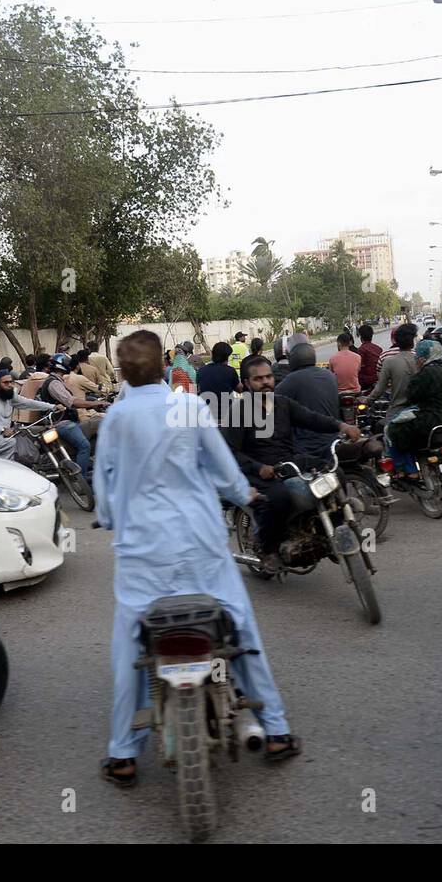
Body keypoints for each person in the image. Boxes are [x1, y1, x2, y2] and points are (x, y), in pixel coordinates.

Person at [95, 330, 299, 786]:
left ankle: (123, 753)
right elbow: (224, 471)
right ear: (166, 367)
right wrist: (244, 493)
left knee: (129, 641)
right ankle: (277, 729)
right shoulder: (188, 407)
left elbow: (104, 490)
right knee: (239, 624)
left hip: (141, 554)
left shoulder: (115, 418)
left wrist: (108, 517)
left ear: (123, 371)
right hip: (200, 546)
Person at [226, 357, 360, 570]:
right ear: (247, 383)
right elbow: (231, 451)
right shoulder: (239, 410)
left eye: (269, 376)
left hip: (289, 462)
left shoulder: (283, 404)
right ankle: (269, 548)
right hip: (257, 470)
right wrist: (259, 468)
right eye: (258, 379)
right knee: (280, 498)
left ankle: (334, 532)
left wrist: (341, 426)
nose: (266, 382)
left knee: (335, 473)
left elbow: (312, 418)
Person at [387, 338, 442, 475]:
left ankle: (408, 470)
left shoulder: (426, 374)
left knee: (393, 429)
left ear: (422, 358)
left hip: (431, 418)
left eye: (418, 358)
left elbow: (412, 396)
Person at [33, 353, 105, 482]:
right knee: (84, 446)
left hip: (67, 421)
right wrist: (97, 403)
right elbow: (72, 402)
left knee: (97, 430)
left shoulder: (58, 381)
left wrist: (93, 403)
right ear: (63, 365)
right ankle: (80, 479)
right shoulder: (54, 383)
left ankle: (87, 465)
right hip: (62, 423)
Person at [276, 342, 342, 459]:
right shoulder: (329, 375)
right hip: (333, 437)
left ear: (294, 359)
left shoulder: (293, 378)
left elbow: (272, 400)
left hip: (308, 444)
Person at [0, 370, 57, 460]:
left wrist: (52, 407)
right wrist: (2, 430)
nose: (9, 385)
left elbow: (27, 402)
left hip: (4, 437)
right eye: (5, 383)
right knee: (14, 444)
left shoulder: (9, 396)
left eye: (11, 382)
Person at [356, 323, 382, 391]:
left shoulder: (361, 350)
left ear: (361, 337)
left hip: (365, 381)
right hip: (378, 378)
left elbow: (358, 368)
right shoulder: (379, 349)